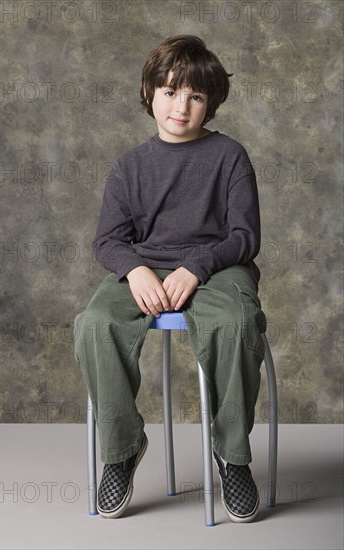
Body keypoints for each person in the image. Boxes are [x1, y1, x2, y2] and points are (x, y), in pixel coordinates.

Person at [74, 35, 267, 523]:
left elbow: (245, 236)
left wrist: (197, 267)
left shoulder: (230, 157)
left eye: (196, 96)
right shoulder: (129, 167)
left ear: (211, 103)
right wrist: (136, 268)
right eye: (169, 91)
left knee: (234, 323)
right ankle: (121, 449)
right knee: (96, 323)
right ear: (148, 92)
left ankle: (231, 454)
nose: (181, 106)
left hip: (218, 267)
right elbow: (108, 241)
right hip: (147, 266)